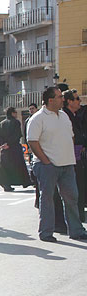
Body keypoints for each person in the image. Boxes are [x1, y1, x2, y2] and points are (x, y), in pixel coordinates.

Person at [27, 86, 87, 242]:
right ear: (51, 100)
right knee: (47, 199)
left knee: (72, 198)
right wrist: (46, 161)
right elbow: (32, 142)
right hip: (48, 166)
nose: (63, 99)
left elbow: (71, 137)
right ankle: (46, 232)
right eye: (60, 97)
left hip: (67, 164)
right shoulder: (38, 118)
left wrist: (68, 155)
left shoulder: (64, 116)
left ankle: (76, 230)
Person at [62, 88, 86, 223]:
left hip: (77, 157)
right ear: (69, 101)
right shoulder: (66, 116)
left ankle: (79, 218)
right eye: (76, 99)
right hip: (71, 159)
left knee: (79, 189)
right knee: (73, 192)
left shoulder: (75, 115)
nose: (79, 101)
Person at [0, 106, 31, 192]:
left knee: (4, 167)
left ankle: (6, 184)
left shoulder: (1, 123)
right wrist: (9, 144)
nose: (16, 114)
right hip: (14, 148)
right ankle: (25, 182)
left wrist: (3, 144)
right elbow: (17, 135)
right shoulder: (16, 122)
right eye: (15, 112)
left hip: (5, 150)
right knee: (18, 165)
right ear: (12, 113)